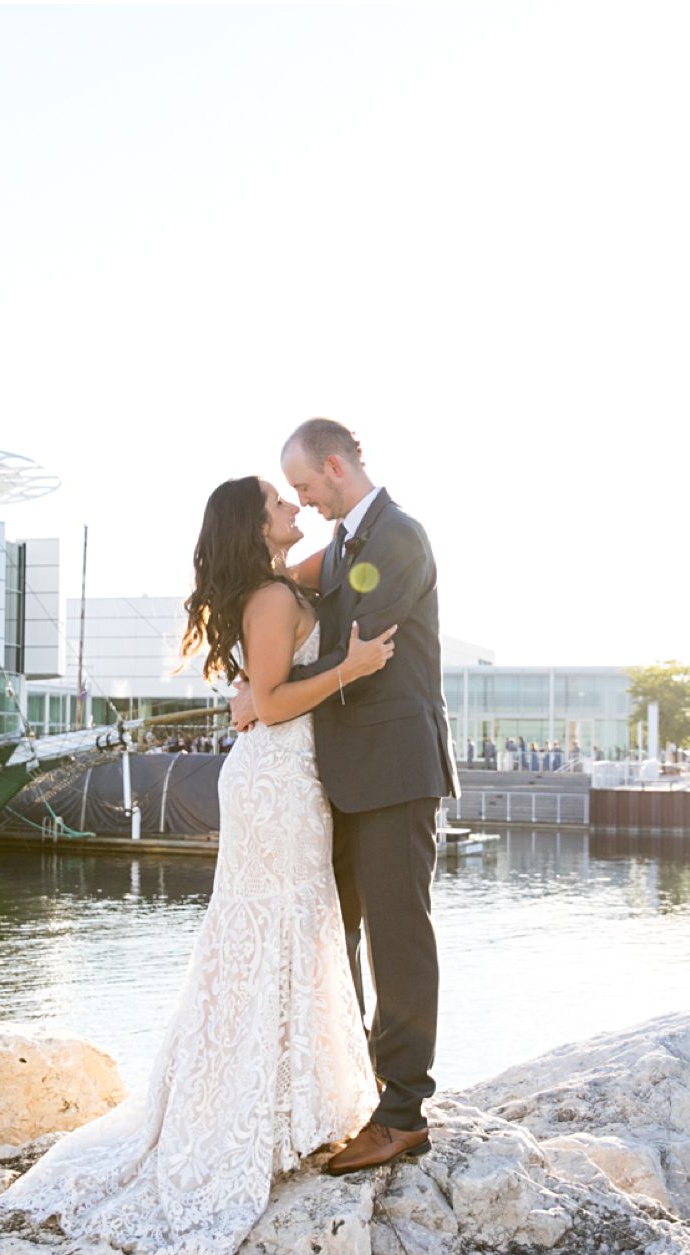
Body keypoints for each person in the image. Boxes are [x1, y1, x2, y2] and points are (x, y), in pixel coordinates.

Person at [0, 475, 393, 1255]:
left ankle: (285, 1104)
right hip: (276, 780)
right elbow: (272, 703)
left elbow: (334, 569)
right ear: (255, 524)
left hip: (284, 779)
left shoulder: (279, 584)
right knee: (277, 929)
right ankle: (257, 1113)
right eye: (279, 502)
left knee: (287, 928)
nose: (294, 507)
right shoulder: (272, 599)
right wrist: (352, 667)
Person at [231, 417, 457, 1174]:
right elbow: (278, 593)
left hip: (394, 772)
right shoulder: (342, 547)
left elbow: (360, 646)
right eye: (290, 493)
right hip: (342, 777)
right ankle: (352, 1088)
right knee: (337, 936)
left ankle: (402, 1114)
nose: (301, 499)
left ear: (334, 467)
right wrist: (246, 665)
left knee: (398, 939)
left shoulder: (398, 538)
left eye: (303, 485)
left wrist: (267, 690)